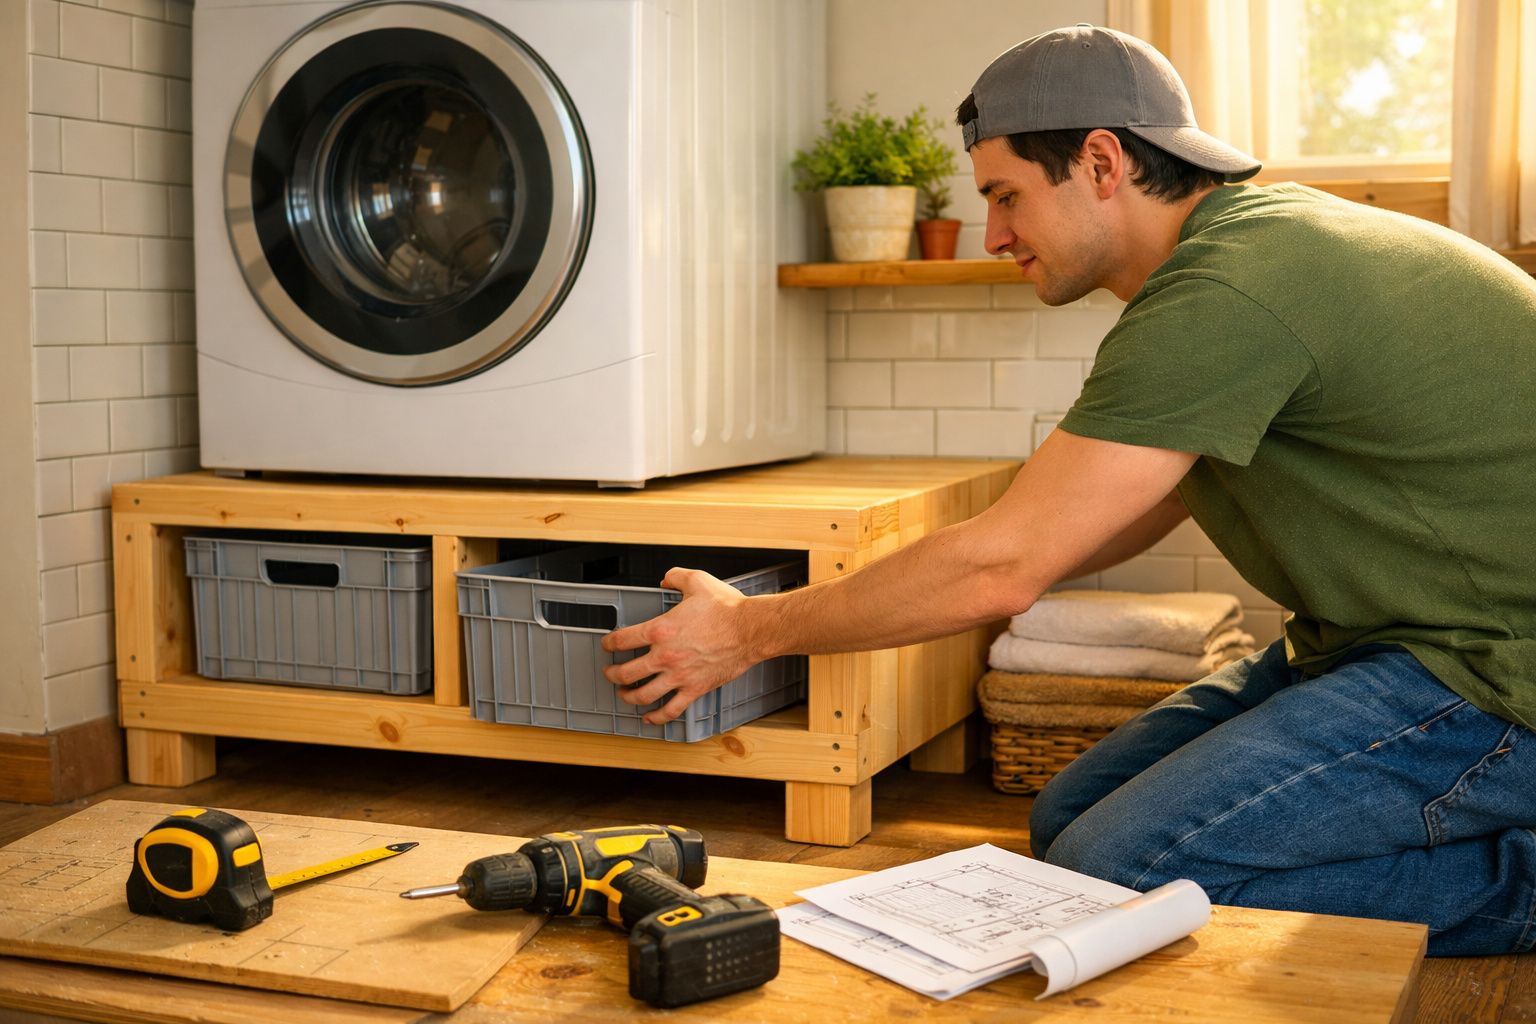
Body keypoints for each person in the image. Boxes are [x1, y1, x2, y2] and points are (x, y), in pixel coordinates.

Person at [601, 24, 1536, 955]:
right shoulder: (1248, 257)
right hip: (1394, 642)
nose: (994, 235)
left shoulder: (1232, 289)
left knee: (1118, 871)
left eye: (1005, 195)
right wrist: (956, 566)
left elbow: (1004, 568)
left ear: (1101, 162)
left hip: (1492, 676)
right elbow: (1103, 520)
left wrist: (747, 631)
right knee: (1065, 826)